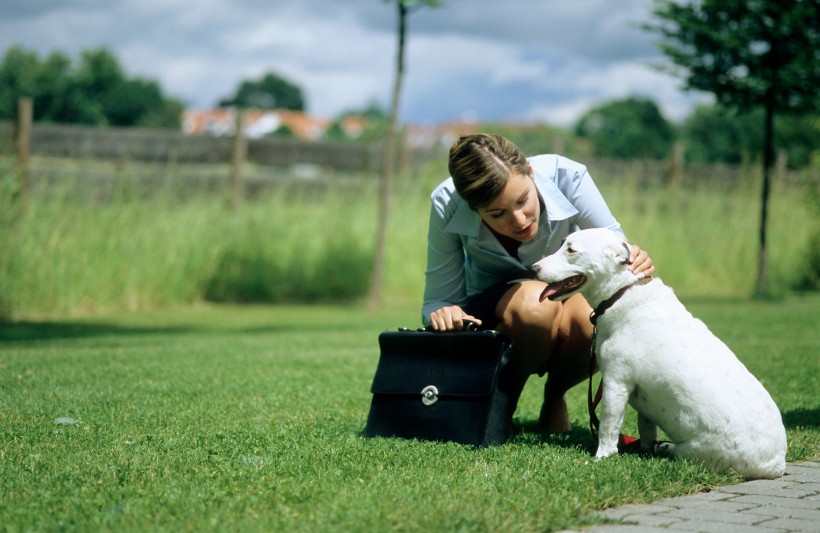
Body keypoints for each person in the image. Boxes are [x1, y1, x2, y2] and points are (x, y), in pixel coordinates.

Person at [422, 133, 655, 433]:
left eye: (523, 201)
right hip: (493, 309)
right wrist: (443, 313)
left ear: (530, 172)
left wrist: (637, 262)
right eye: (497, 214)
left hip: (566, 292)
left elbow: (615, 253)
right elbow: (438, 300)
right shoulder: (446, 202)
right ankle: (501, 402)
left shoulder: (568, 176)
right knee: (535, 305)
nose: (519, 220)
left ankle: (555, 396)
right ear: (472, 208)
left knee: (591, 320)